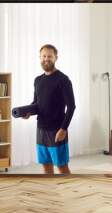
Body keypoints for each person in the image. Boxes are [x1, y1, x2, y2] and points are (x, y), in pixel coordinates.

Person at [23, 44, 76, 174]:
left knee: (61, 166)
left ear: (56, 58)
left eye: (50, 56)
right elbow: (37, 103)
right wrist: (28, 112)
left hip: (56, 130)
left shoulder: (63, 80)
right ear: (40, 58)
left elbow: (71, 106)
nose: (46, 59)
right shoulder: (38, 80)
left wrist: (63, 129)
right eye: (44, 56)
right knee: (46, 165)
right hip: (41, 129)